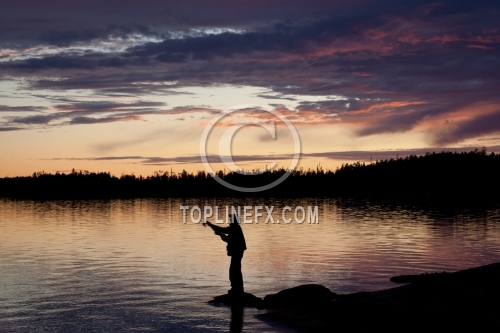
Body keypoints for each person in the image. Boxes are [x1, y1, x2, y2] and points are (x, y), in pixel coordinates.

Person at [205, 214, 246, 294]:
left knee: (234, 270)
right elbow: (228, 239)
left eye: (231, 219)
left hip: (237, 251)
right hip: (238, 251)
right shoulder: (235, 228)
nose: (229, 220)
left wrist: (210, 225)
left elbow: (222, 231)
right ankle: (237, 288)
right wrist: (220, 234)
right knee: (236, 269)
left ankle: (236, 288)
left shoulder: (234, 228)